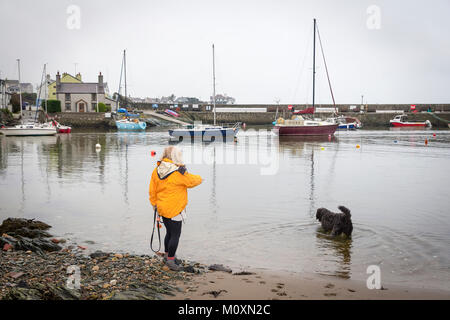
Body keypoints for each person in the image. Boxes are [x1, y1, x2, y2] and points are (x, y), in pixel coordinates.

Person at [149, 146, 202, 271]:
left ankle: (168, 255)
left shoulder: (157, 169)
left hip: (162, 207)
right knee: (175, 235)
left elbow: (152, 190)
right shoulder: (178, 171)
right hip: (175, 208)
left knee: (169, 232)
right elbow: (192, 182)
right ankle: (171, 260)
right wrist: (199, 178)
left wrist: (154, 204)